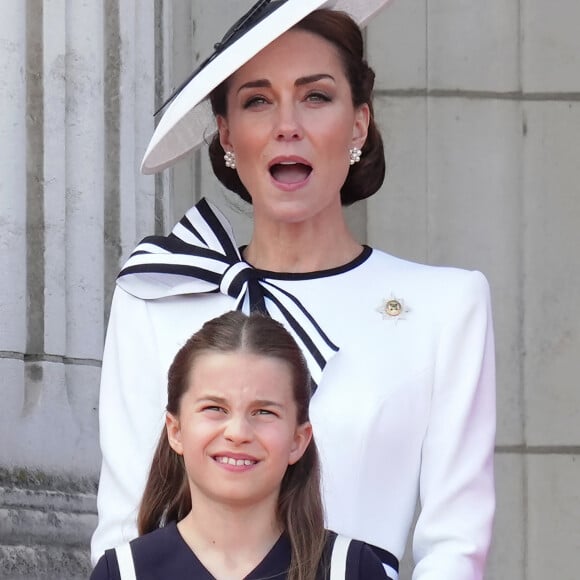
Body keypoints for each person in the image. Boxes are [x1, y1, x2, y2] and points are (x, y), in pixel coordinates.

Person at [92, 2, 496, 579]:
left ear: (359, 122)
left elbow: (456, 548)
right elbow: (124, 532)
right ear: (227, 133)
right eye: (258, 100)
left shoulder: (446, 307)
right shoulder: (157, 299)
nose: (288, 124)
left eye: (316, 96)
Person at [90, 311, 388, 579]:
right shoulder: (125, 572)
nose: (238, 432)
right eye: (215, 408)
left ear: (298, 440)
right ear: (176, 430)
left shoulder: (350, 569)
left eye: (264, 412)